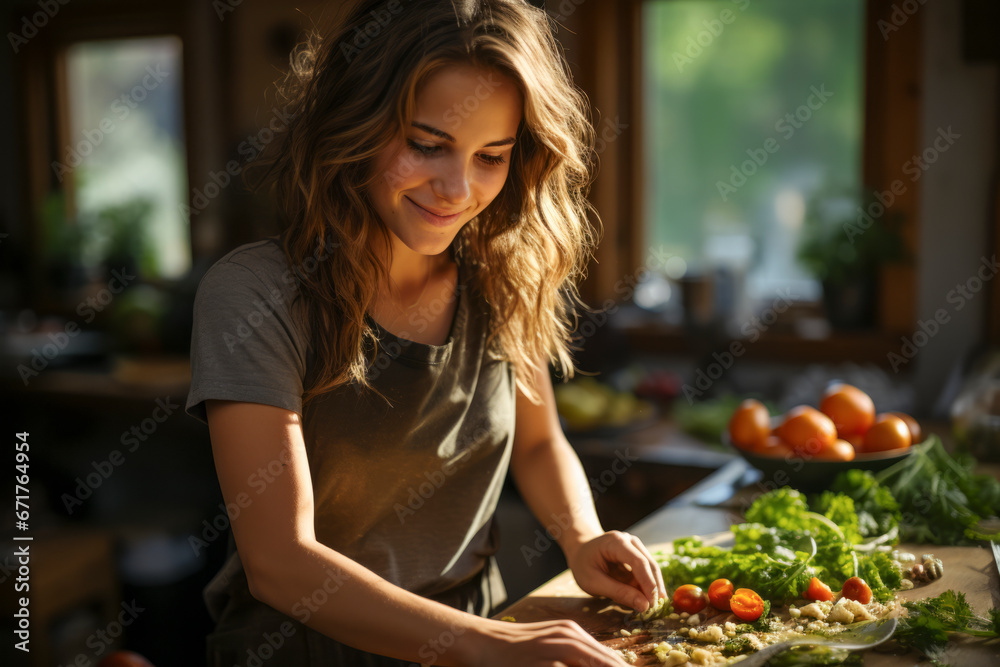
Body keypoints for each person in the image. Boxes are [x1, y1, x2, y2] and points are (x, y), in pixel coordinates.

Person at [186, 0, 665, 664]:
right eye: (427, 145)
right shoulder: (257, 293)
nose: (457, 188)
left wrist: (582, 536)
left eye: (492, 155)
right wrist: (488, 643)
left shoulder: (503, 277)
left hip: (477, 632)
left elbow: (537, 443)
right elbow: (279, 562)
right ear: (356, 120)